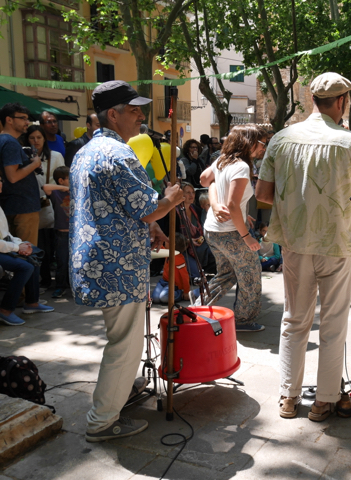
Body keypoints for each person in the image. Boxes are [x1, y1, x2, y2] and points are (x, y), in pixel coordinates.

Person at [70, 80, 184, 442]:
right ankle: (102, 420)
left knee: (120, 340)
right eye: (133, 110)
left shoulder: (85, 152)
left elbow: (115, 208)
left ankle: (116, 396)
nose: (140, 116)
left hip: (95, 261)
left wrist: (148, 228)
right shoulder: (118, 155)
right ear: (113, 115)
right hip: (116, 267)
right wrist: (174, 198)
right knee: (125, 346)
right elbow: (150, 208)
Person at [255, 72, 351, 422]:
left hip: (294, 243)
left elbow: (262, 195)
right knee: (334, 324)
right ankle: (324, 401)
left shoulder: (281, 139)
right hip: (336, 243)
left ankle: (288, 397)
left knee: (294, 320)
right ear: (342, 102)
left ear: (313, 101)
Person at [201, 125, 265, 332]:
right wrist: (247, 237)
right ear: (250, 143)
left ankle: (199, 306)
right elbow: (232, 205)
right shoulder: (241, 166)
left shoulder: (222, 160)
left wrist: (215, 202)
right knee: (251, 275)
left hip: (213, 230)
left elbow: (205, 179)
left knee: (227, 273)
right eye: (261, 142)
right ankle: (244, 320)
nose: (263, 147)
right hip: (231, 232)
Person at [0, 177, 54, 326]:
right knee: (25, 267)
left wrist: (21, 243)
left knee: (34, 254)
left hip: (5, 246)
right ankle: (5, 310)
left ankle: (32, 303)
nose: (1, 183)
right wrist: (17, 248)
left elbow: (5, 234)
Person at [23, 125, 65, 289]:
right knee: (39, 244)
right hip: (31, 204)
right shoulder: (24, 155)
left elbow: (62, 178)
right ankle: (44, 278)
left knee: (53, 244)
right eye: (32, 138)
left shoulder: (55, 156)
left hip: (52, 204)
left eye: (39, 137)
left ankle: (57, 281)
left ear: (44, 139)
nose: (35, 141)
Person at [0, 103, 41, 247]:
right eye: (22, 118)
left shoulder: (5, 140)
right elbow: (13, 176)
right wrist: (34, 164)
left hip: (12, 205)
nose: (27, 122)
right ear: (9, 120)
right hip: (23, 207)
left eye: (27, 118)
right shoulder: (10, 142)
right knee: (29, 255)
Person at [43, 166, 71, 298]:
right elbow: (45, 187)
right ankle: (60, 287)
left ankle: (73, 287)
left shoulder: (76, 191)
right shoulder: (57, 193)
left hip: (76, 234)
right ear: (61, 180)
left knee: (74, 262)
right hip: (62, 234)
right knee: (62, 262)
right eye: (69, 178)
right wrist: (64, 188)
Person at [176, 182, 216, 274]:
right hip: (183, 248)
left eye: (193, 192)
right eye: (188, 192)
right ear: (181, 194)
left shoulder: (195, 209)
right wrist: (188, 241)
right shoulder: (175, 212)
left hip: (199, 246)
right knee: (196, 274)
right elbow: (172, 236)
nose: (191, 195)